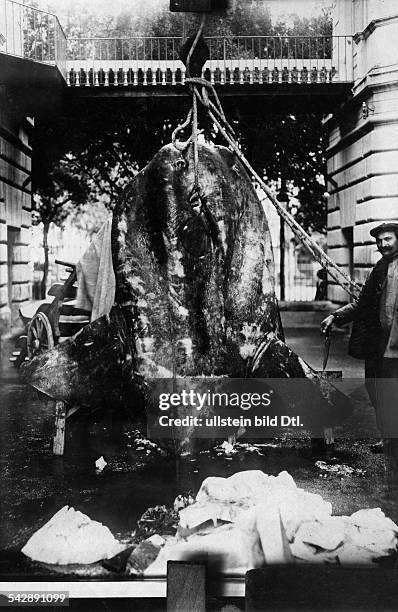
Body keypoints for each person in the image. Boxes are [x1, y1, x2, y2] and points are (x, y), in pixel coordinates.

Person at [320, 222, 398, 467]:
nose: (383, 244)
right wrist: (336, 316)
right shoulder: (379, 269)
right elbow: (362, 303)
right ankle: (388, 438)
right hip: (377, 344)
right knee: (375, 391)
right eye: (379, 240)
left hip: (396, 347)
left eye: (388, 239)